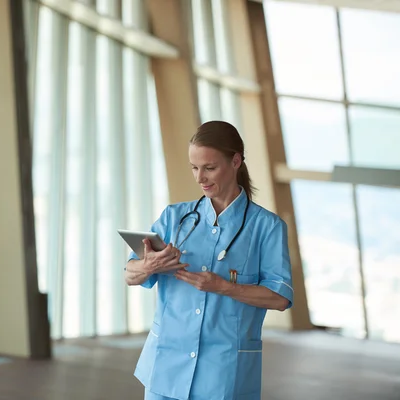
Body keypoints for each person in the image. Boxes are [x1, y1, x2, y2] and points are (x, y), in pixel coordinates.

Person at [124, 121, 293, 400]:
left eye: (209, 168)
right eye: (194, 167)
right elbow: (130, 274)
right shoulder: (174, 217)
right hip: (166, 369)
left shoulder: (267, 227)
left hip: (224, 376)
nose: (200, 177)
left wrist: (225, 287)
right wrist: (148, 266)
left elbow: (280, 298)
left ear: (236, 161)